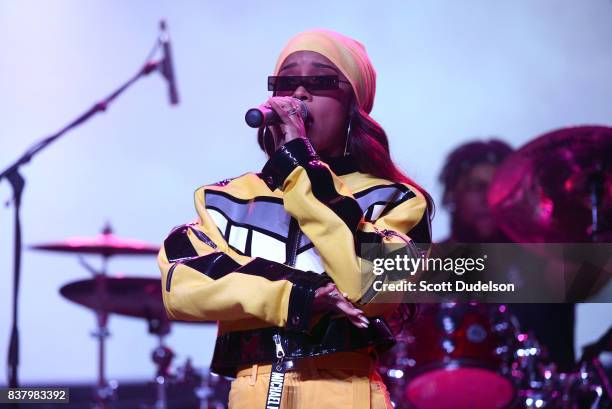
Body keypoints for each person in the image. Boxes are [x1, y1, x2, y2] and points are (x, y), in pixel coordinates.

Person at [158, 29, 432, 409]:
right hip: (252, 390)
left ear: (354, 103)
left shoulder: (395, 201)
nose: (299, 94)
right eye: (287, 82)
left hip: (346, 388)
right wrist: (300, 297)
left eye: (320, 81)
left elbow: (365, 287)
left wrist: (301, 167)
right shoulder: (224, 200)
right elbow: (183, 286)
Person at [438, 139, 576, 371]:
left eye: (497, 188)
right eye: (476, 186)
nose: (487, 198)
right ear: (452, 195)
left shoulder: (549, 259)